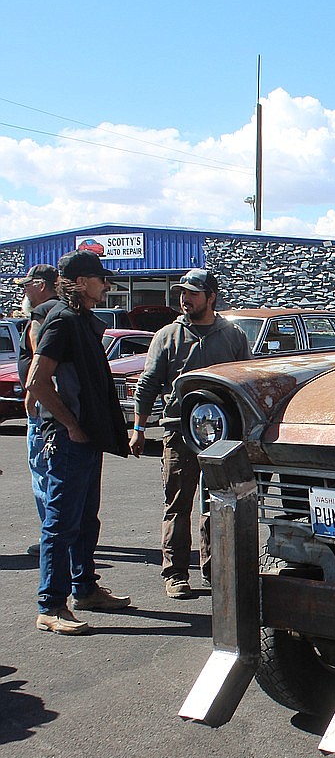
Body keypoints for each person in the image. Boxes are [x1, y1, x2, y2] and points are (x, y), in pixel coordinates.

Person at [25, 250, 132, 635]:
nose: (106, 285)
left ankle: (84, 590)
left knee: (86, 519)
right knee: (60, 523)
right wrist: (70, 425)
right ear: (82, 283)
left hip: (87, 439)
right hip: (68, 441)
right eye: (101, 279)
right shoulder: (61, 321)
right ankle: (50, 607)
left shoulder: (85, 321)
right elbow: (36, 382)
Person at [130, 268, 252, 599]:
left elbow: (249, 382)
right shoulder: (167, 336)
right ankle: (176, 574)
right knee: (178, 504)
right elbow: (148, 385)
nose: (185, 299)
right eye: (182, 293)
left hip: (224, 438)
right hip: (178, 435)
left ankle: (216, 570)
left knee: (219, 505)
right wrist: (139, 428)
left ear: (211, 297)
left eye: (193, 293)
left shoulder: (233, 336)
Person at [14, 264, 59, 553]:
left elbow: (37, 364)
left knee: (43, 475)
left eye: (26, 285)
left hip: (42, 412)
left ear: (41, 285)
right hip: (49, 409)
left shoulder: (40, 316)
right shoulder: (58, 313)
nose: (24, 291)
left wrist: (32, 402)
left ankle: (50, 538)